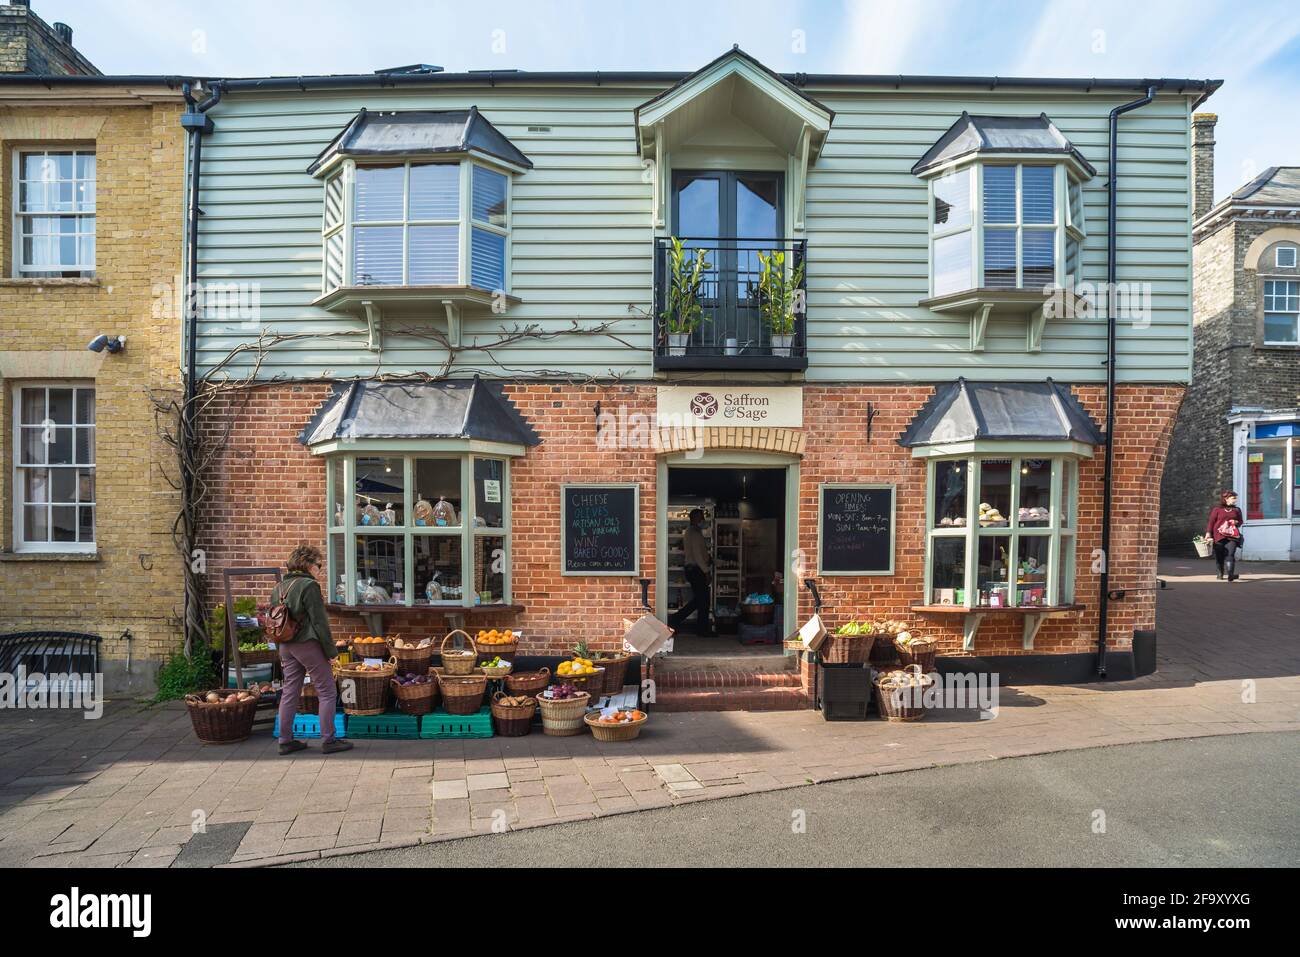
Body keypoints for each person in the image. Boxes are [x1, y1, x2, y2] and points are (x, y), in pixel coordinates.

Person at [272, 544, 353, 754]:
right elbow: (319, 623)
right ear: (307, 564)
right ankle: (329, 740)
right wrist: (331, 653)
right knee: (326, 691)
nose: (320, 570)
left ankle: (285, 740)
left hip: (285, 645)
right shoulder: (309, 586)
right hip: (307, 644)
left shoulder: (278, 588)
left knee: (290, 690)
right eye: (318, 565)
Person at [669, 508, 713, 636]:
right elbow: (697, 554)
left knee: (700, 599)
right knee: (703, 600)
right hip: (696, 569)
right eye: (701, 517)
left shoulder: (693, 532)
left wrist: (708, 558)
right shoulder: (693, 532)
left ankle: (678, 620)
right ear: (694, 518)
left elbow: (699, 552)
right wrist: (706, 571)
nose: (703, 520)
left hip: (694, 569)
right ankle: (699, 628)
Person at [1206, 490, 1245, 582]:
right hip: (1218, 535)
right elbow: (1211, 522)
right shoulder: (1217, 510)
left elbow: (1240, 521)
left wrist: (1236, 522)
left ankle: (1230, 575)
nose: (1235, 500)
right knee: (1219, 556)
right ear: (1226, 499)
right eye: (1233, 498)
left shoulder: (1237, 510)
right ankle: (1220, 573)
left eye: (1236, 498)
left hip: (1232, 536)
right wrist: (1208, 534)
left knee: (1230, 554)